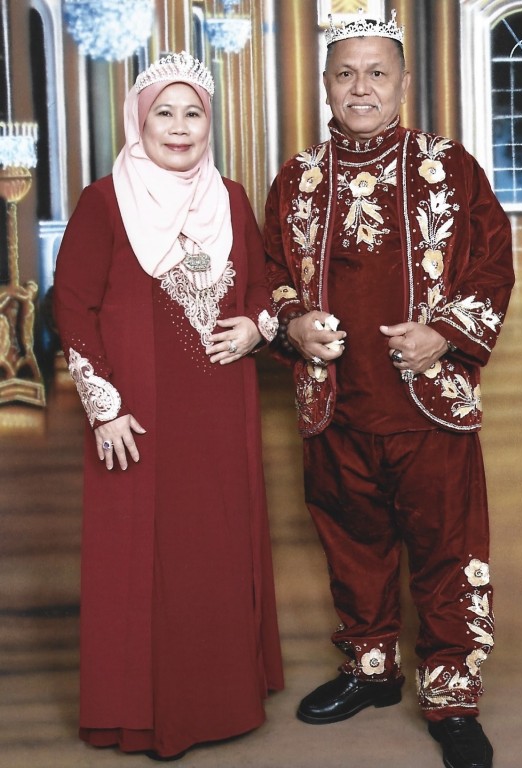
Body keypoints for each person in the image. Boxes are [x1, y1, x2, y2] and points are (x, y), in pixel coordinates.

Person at [264, 11, 513, 768]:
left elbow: (492, 265)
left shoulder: (449, 166)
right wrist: (293, 324)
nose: (361, 87)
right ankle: (369, 670)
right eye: (345, 73)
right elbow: (269, 275)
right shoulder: (296, 178)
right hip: (334, 404)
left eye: (377, 72)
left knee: (446, 555)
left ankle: (451, 697)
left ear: (403, 83)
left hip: (428, 403)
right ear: (325, 84)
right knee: (352, 547)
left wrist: (445, 332)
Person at [54, 51, 283, 762]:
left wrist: (256, 327)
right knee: (147, 557)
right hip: (139, 415)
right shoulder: (104, 202)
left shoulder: (231, 197)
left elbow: (263, 285)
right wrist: (104, 406)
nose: (179, 128)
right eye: (164, 112)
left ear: (209, 124)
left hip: (220, 408)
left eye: (193, 114)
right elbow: (73, 307)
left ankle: (223, 700)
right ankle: (149, 714)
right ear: (138, 120)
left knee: (215, 547)